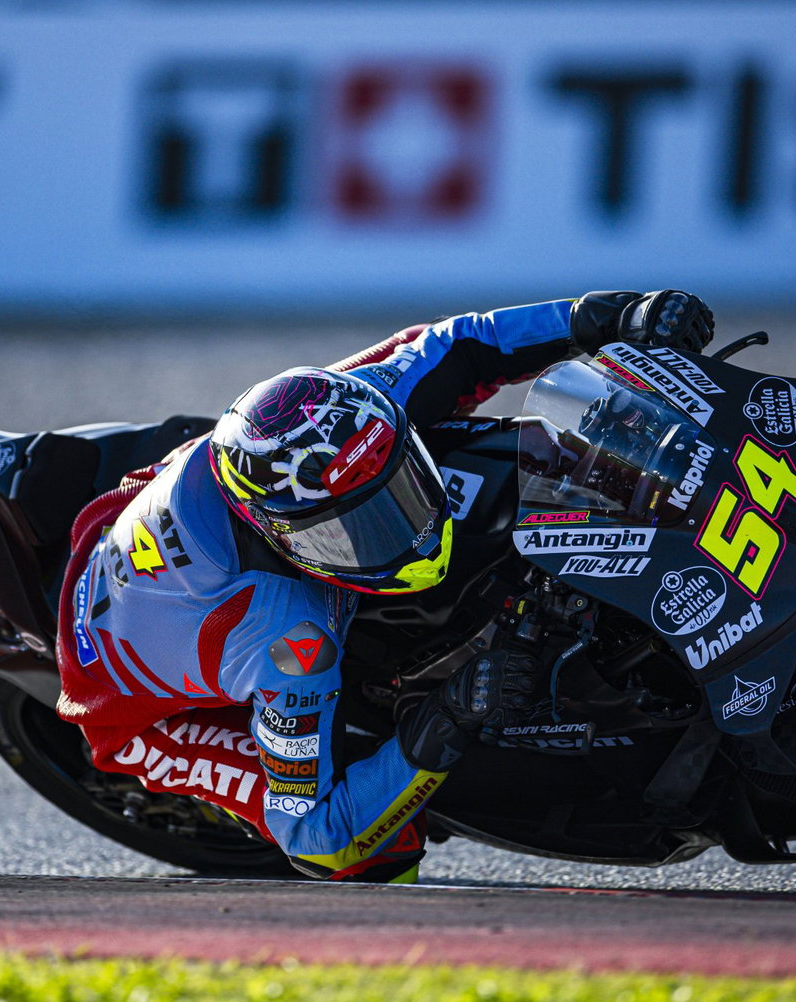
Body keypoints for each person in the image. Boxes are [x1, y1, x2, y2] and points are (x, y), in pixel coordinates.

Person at [54, 290, 714, 882]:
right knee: (378, 854)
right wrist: (452, 713)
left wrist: (613, 315)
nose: (408, 534)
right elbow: (318, 839)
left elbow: (459, 341)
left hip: (154, 498)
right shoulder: (288, 637)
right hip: (128, 701)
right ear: (286, 540)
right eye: (356, 530)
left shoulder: (350, 409)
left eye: (397, 493)